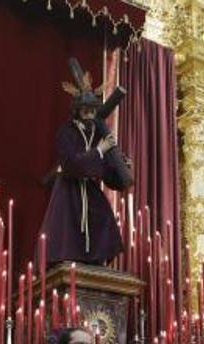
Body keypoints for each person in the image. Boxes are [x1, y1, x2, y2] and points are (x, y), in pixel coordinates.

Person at [42, 60, 128, 265]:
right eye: (86, 110)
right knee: (67, 231)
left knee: (103, 219)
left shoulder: (97, 134)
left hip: (89, 190)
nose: (90, 114)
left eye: (92, 110)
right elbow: (71, 164)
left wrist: (122, 167)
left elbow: (107, 174)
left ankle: (96, 263)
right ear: (78, 110)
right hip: (68, 190)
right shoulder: (66, 133)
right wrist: (99, 151)